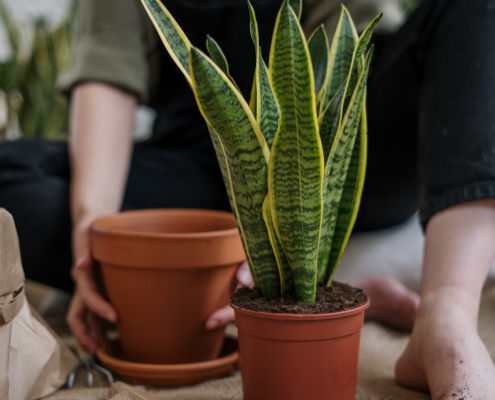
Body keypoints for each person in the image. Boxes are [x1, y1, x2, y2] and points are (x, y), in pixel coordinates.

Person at [0, 0, 494, 398]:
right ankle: (326, 291)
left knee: (476, 9)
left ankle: (445, 316)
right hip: (194, 162)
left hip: (329, 159)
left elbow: (335, 53)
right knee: (12, 177)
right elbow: (108, 72)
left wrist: (285, 201)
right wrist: (92, 236)